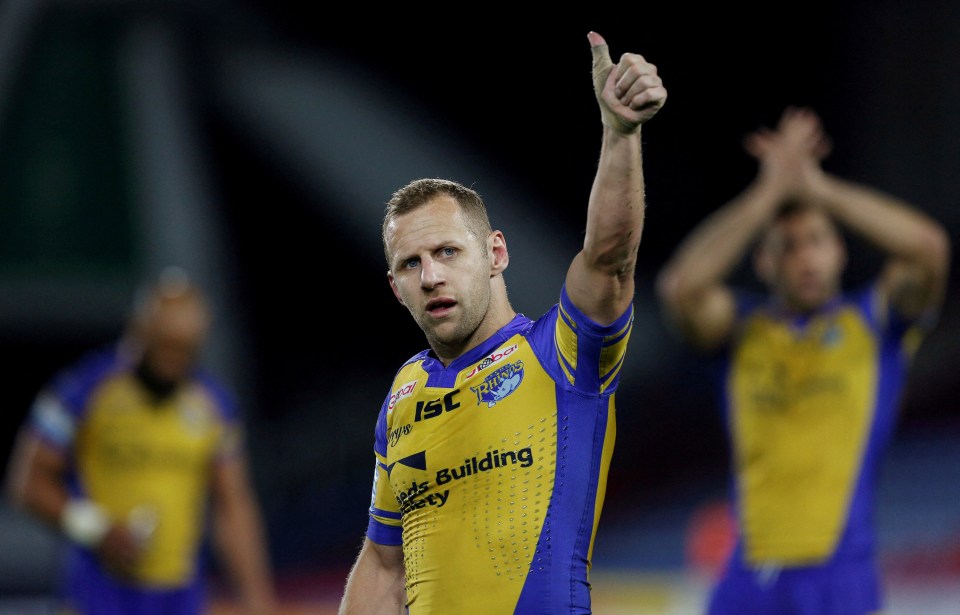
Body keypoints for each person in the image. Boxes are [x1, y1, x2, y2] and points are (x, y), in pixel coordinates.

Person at [336, 31, 666, 614]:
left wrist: (621, 133)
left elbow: (610, 257)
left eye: (447, 252)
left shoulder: (562, 352)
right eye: (410, 264)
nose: (430, 276)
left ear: (495, 253)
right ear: (395, 288)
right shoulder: (403, 395)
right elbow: (385, 568)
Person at [656, 106, 951, 614]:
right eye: (788, 247)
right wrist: (770, 191)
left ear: (838, 250)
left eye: (816, 241)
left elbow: (928, 249)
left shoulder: (874, 323)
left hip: (840, 575)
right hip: (747, 575)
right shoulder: (743, 330)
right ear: (765, 262)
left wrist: (817, 189)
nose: (805, 258)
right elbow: (681, 288)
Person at [4, 266, 279, 615]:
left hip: (178, 599)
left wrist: (258, 599)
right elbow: (27, 482)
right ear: (140, 331)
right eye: (165, 348)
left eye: (185, 351)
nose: (173, 363)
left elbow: (233, 506)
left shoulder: (214, 406)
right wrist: (95, 528)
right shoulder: (83, 390)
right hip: (96, 593)